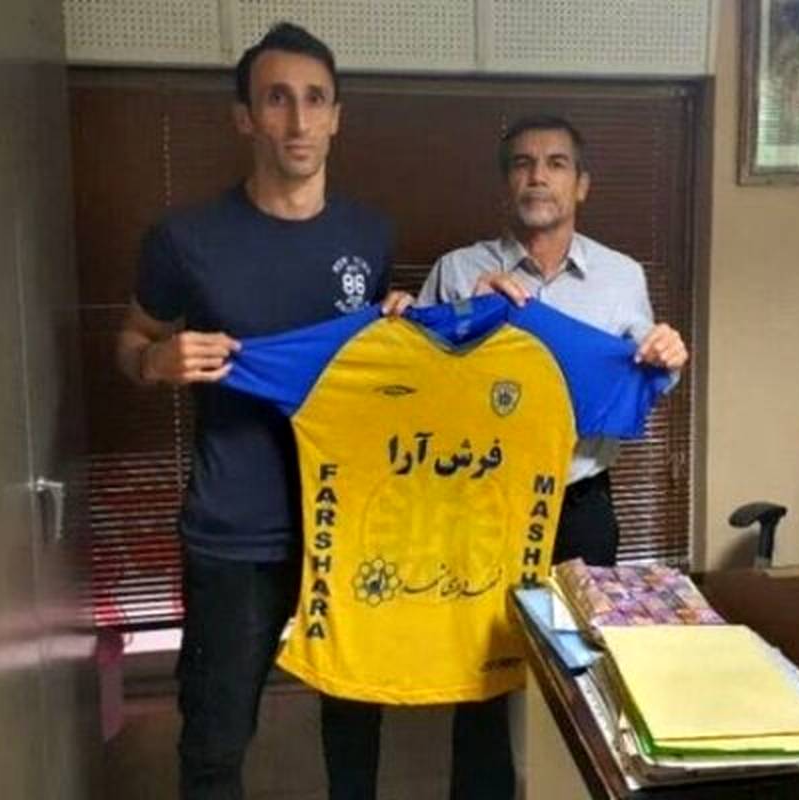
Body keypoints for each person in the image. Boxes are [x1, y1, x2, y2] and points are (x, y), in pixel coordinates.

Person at [115, 23, 407, 799]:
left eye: (315, 100)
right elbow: (132, 339)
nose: (299, 120)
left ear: (337, 116)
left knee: (356, 727)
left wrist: (402, 326)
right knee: (215, 738)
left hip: (348, 524)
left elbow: (378, 368)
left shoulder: (370, 235)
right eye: (277, 99)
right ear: (245, 117)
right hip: (234, 531)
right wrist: (154, 360)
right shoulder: (185, 239)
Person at [419, 113, 689, 568]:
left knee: (579, 617)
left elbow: (648, 373)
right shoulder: (457, 271)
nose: (538, 176)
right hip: (476, 498)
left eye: (556, 163)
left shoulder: (621, 276)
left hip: (579, 505)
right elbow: (417, 384)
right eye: (522, 163)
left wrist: (669, 357)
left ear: (581, 185)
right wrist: (468, 318)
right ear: (505, 185)